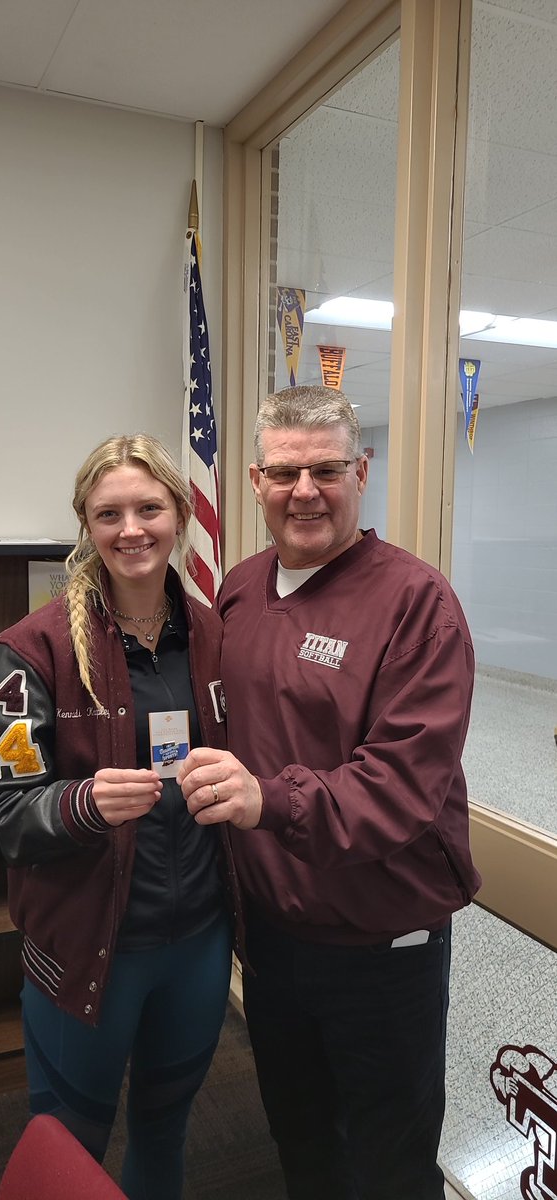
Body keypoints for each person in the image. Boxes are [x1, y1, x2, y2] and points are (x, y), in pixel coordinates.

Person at [178, 386, 481, 1200]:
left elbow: (400, 788)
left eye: (326, 469)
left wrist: (265, 803)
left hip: (380, 947)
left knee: (387, 1163)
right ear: (253, 479)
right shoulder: (238, 590)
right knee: (301, 1142)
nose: (303, 490)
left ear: (362, 471)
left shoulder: (415, 604)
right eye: (284, 472)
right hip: (274, 939)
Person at [0, 434, 242, 1200]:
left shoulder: (218, 637)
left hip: (197, 943)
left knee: (166, 1128)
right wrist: (79, 804)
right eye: (107, 512)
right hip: (89, 952)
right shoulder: (24, 652)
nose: (131, 529)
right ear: (85, 523)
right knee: (67, 1149)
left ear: (180, 516)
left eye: (149, 508)